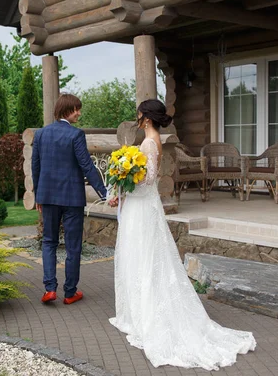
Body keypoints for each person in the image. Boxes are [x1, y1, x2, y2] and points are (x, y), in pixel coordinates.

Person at [109, 99, 256, 371]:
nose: (137, 116)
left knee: (143, 256)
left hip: (142, 208)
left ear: (147, 118)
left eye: (139, 113)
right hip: (142, 206)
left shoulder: (150, 143)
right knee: (142, 256)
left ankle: (146, 316)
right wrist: (124, 178)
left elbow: (148, 179)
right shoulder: (151, 140)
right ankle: (137, 312)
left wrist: (122, 176)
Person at [32, 94, 108, 305]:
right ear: (67, 110)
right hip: (72, 198)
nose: (79, 113)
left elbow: (35, 166)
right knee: (73, 246)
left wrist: (38, 194)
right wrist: (104, 193)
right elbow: (87, 167)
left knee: (49, 242)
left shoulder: (41, 135)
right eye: (76, 109)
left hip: (47, 196)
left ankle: (49, 290)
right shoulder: (76, 135)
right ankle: (70, 292)